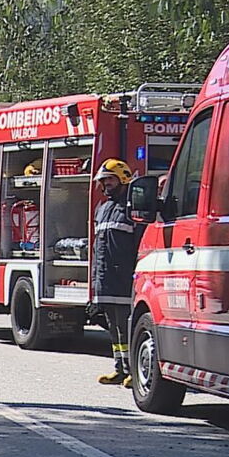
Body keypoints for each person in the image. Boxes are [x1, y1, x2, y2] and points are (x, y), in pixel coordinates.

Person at [91, 158, 142, 388]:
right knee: (114, 328)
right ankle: (119, 368)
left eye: (110, 179)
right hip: (106, 279)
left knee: (127, 326)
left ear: (123, 179)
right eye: (103, 181)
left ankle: (133, 370)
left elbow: (140, 244)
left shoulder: (132, 209)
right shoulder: (102, 209)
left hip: (125, 280)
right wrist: (95, 282)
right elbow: (97, 247)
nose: (106, 184)